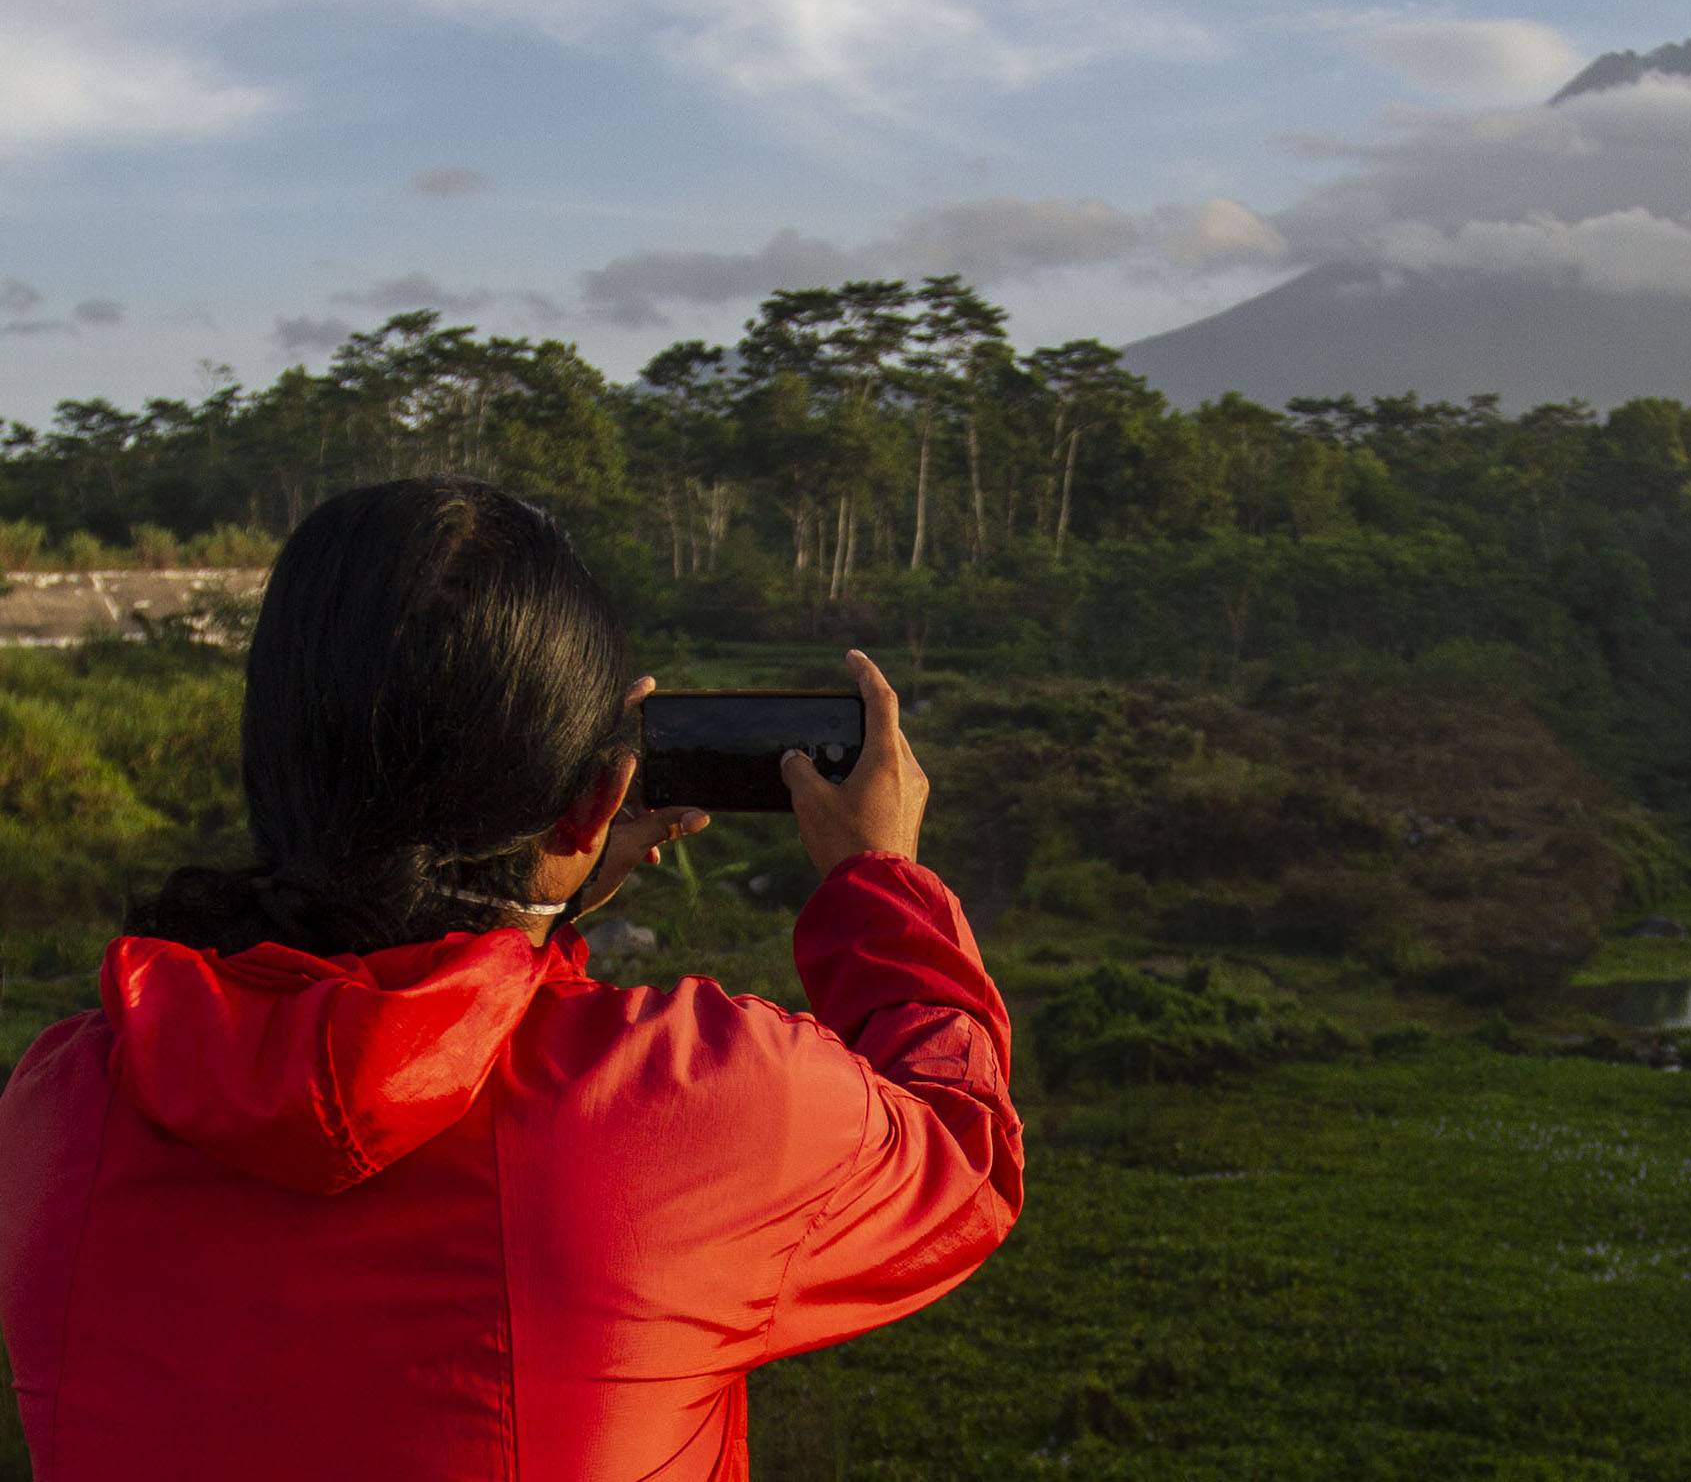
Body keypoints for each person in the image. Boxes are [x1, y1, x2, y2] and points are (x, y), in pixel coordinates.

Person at [0, 477, 1022, 1480]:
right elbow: (961, 1153)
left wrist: (534, 908)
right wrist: (880, 879)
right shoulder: (698, 1103)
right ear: (597, 803)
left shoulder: (55, 1115)